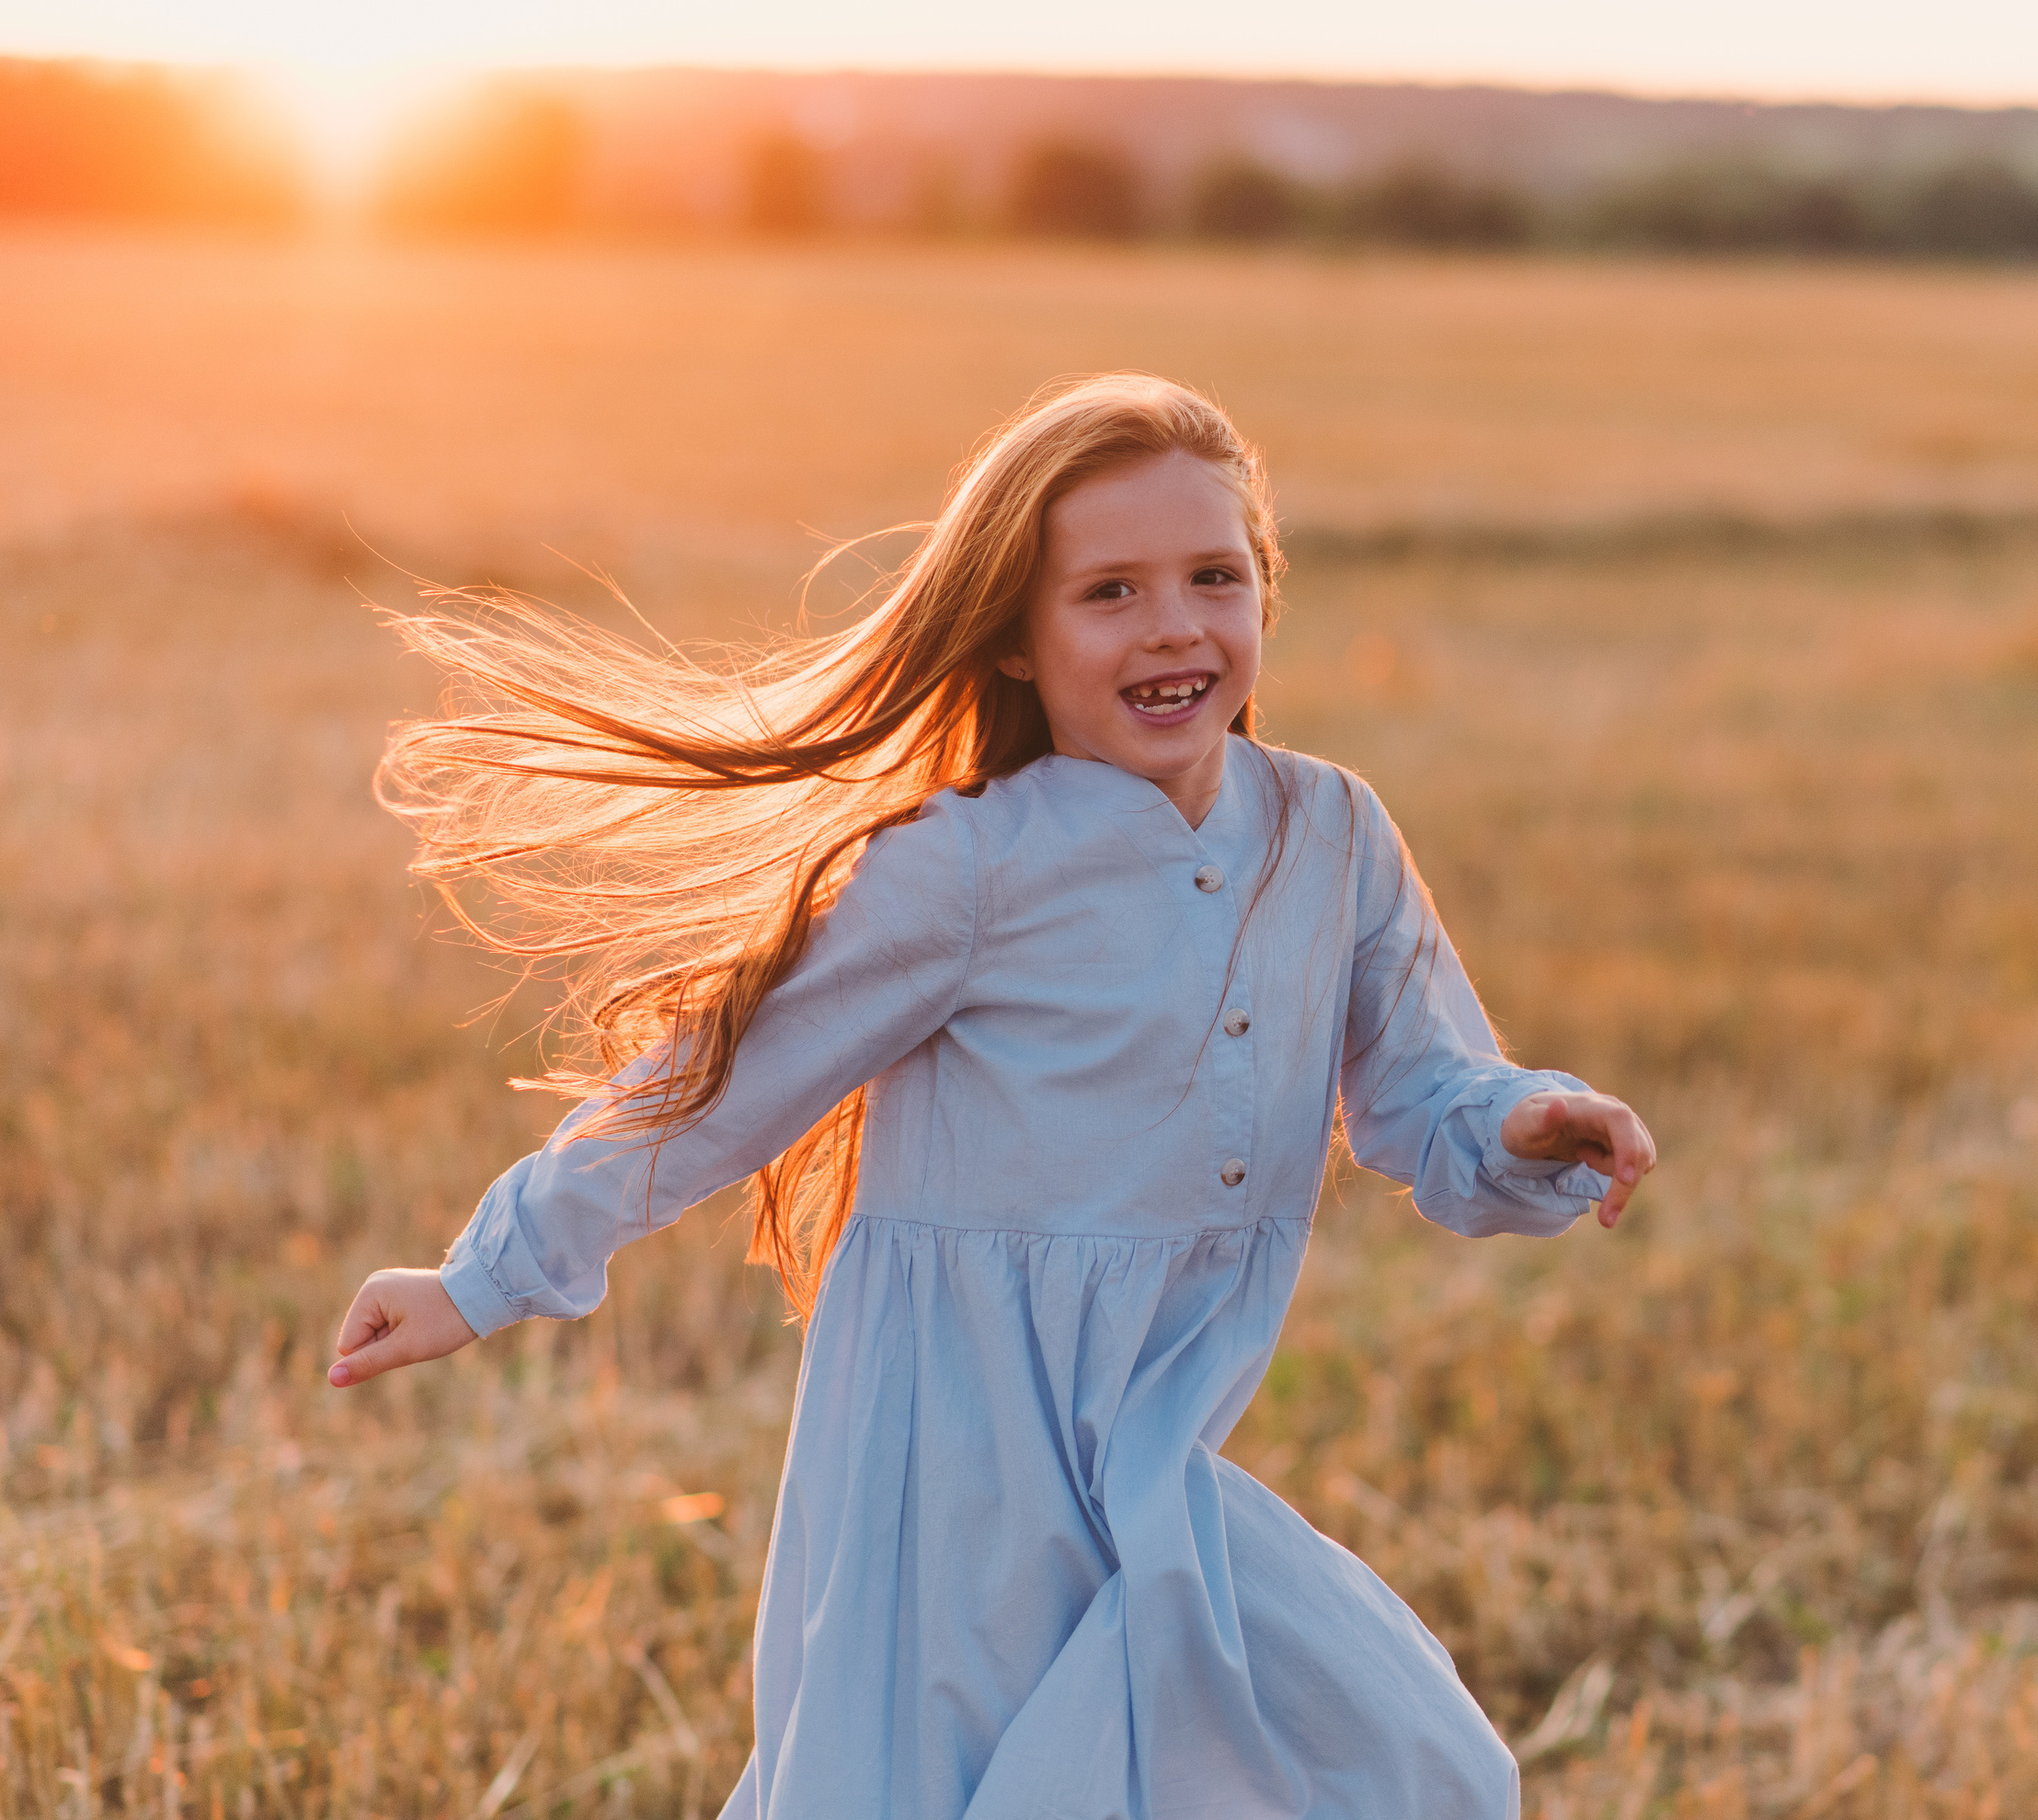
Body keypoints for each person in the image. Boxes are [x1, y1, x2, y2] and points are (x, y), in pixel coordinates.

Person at [328, 372, 1655, 1818]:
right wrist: (484, 1274)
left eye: (1214, 577)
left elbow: (1422, 1085)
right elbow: (717, 1089)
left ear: (1265, 590)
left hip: (1151, 1443)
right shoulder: (964, 868)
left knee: (1418, 1764)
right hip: (948, 1473)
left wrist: (1519, 1124)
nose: (1173, 625)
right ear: (1017, 639)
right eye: (1109, 591)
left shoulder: (1329, 832)